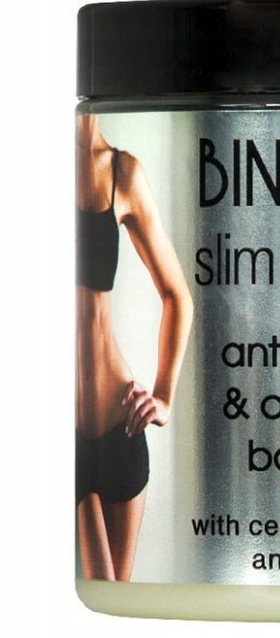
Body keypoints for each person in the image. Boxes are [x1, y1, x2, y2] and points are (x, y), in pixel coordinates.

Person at [76, 114, 193, 581]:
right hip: (62, 437)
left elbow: (178, 297)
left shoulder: (121, 173)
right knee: (98, 591)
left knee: (117, 599)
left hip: (120, 424)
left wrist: (163, 397)